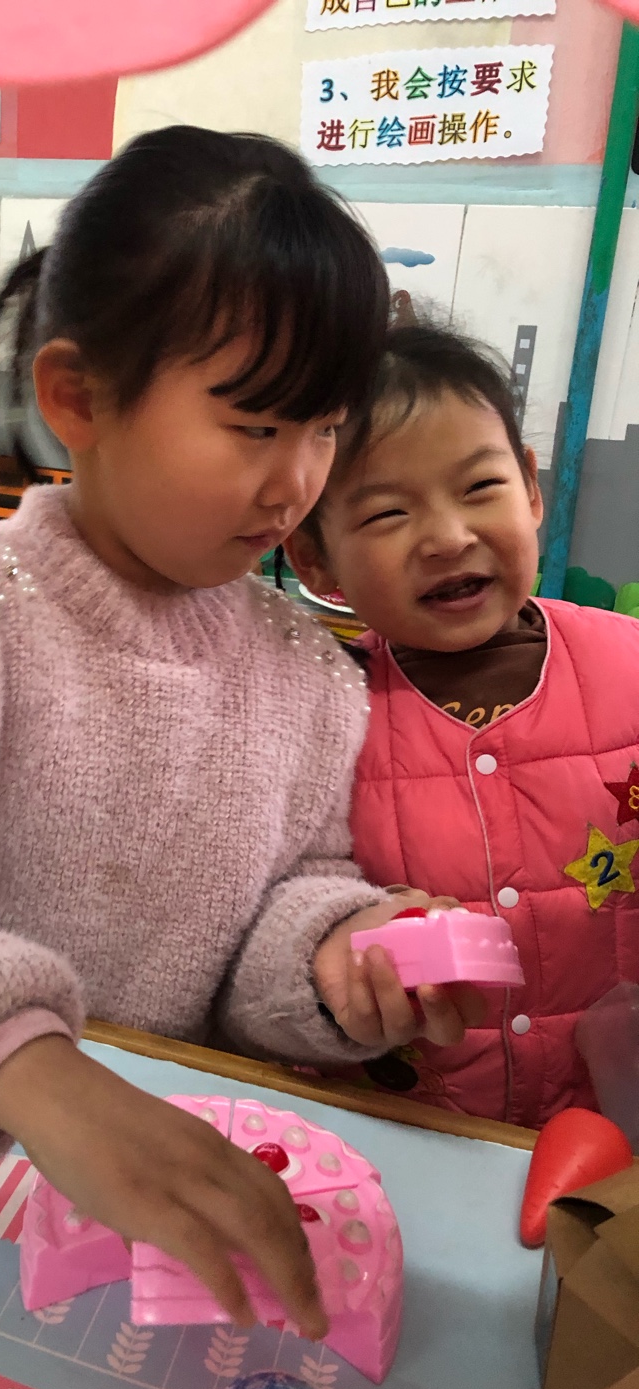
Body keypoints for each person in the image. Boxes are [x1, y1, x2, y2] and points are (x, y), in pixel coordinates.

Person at [0, 128, 474, 1334]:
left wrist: (336, 959)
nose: (295, 484)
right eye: (255, 425)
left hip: (159, 1205)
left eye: (324, 428)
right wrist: (28, 1068)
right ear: (77, 397)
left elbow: (279, 911)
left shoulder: (304, 676)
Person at [285, 322, 639, 1128]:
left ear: (531, 490)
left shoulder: (631, 670)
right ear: (315, 559)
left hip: (605, 1140)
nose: (448, 537)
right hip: (403, 1133)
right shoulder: (313, 717)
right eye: (386, 514)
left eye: (480, 487)